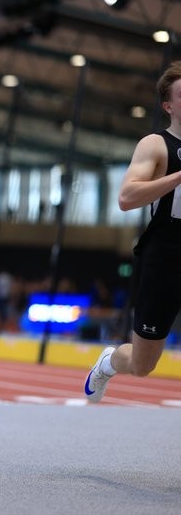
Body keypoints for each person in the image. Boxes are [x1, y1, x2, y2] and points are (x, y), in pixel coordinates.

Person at [84, 61, 181, 402]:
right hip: (167, 256)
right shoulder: (156, 145)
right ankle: (110, 361)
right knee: (142, 364)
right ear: (168, 105)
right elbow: (126, 198)